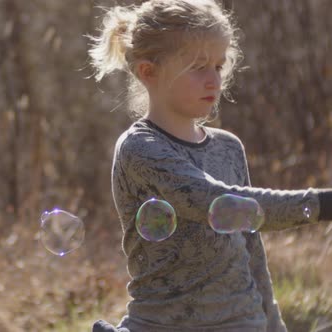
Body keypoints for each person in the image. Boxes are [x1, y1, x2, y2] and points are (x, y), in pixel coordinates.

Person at [87, 1, 332, 331]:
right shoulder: (140, 149)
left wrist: (274, 325)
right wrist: (321, 204)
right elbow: (217, 203)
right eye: (198, 67)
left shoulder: (228, 147)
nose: (213, 80)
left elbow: (251, 251)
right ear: (148, 72)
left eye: (218, 66)